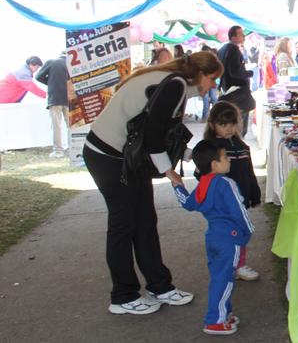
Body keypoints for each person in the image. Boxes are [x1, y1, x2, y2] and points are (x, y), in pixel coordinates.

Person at [82, 52, 224, 315]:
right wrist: (171, 174)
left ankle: (160, 286)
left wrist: (189, 155)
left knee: (145, 220)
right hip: (109, 157)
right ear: (201, 75)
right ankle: (123, 296)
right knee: (123, 225)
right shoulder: (176, 84)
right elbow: (152, 140)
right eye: (213, 79)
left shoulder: (174, 82)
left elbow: (162, 134)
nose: (214, 86)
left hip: (126, 157)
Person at [174, 139, 254, 335]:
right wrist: (248, 230)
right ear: (214, 164)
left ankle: (223, 314)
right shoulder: (227, 183)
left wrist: (177, 185)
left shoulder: (204, 184)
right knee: (225, 280)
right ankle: (215, 321)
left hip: (213, 238)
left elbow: (188, 203)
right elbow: (239, 211)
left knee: (219, 277)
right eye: (225, 157)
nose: (229, 160)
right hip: (230, 239)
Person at [204, 101, 261, 281]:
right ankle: (229, 265)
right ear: (213, 125)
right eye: (223, 124)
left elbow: (249, 172)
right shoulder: (211, 149)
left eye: (231, 124)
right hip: (221, 203)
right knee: (224, 235)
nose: (228, 128)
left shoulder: (241, 146)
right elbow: (203, 175)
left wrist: (254, 194)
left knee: (241, 233)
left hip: (240, 200)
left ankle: (238, 265)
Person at [217, 26, 255, 137]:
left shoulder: (223, 49)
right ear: (233, 37)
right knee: (238, 128)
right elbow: (235, 72)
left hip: (227, 91)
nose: (243, 36)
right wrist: (249, 73)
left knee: (231, 125)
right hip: (237, 93)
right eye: (240, 34)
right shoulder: (233, 49)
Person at [35, 51, 69, 158]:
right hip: (69, 98)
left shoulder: (51, 62)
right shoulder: (71, 64)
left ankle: (58, 150)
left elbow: (38, 77)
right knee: (71, 126)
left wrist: (50, 82)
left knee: (56, 125)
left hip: (55, 98)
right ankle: (72, 148)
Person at [201, 45, 218, 121]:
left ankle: (215, 116)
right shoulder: (201, 61)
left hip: (213, 81)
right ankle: (205, 116)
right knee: (205, 98)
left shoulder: (214, 60)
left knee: (214, 98)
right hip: (204, 81)